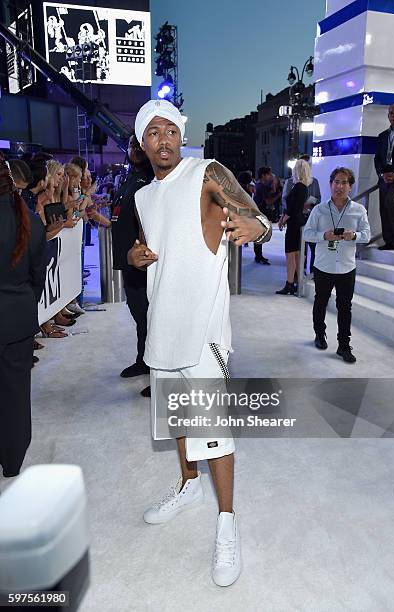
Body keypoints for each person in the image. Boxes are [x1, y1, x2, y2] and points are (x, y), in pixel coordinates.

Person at [127, 99, 272, 587]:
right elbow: (154, 243)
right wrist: (135, 253)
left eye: (170, 130)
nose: (163, 140)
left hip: (205, 331)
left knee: (216, 435)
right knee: (179, 424)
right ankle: (188, 486)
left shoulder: (205, 172)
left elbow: (256, 215)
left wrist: (256, 227)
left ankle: (226, 522)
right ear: (142, 143)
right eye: (153, 133)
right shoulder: (143, 196)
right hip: (163, 327)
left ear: (179, 134)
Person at [0, 154, 46, 477]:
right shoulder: (30, 220)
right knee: (15, 394)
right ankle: (13, 461)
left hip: (15, 317)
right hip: (17, 320)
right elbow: (37, 277)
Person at [303, 167, 370, 363]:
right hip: (323, 265)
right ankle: (319, 334)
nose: (339, 187)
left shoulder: (359, 210)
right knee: (320, 301)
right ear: (330, 184)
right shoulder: (319, 209)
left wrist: (354, 235)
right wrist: (324, 235)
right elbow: (307, 233)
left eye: (344, 183)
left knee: (345, 307)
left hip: (347, 267)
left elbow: (366, 234)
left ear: (350, 186)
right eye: (336, 182)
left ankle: (343, 345)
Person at [111, 134, 153, 379]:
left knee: (150, 319)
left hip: (143, 264)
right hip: (129, 264)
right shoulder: (130, 179)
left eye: (140, 143)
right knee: (140, 316)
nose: (135, 148)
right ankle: (144, 361)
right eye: (131, 144)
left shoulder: (150, 179)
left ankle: (158, 372)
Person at [276, 159, 312, 295]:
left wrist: (282, 220)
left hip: (294, 225)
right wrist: (283, 217)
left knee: (291, 256)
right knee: (296, 255)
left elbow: (292, 208)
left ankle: (290, 283)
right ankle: (295, 283)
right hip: (297, 223)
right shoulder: (302, 187)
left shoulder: (298, 187)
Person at [374, 103, 394, 250]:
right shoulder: (382, 136)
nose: (393, 115)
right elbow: (378, 159)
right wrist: (382, 174)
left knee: (391, 200)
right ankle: (390, 241)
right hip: (385, 175)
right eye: (391, 113)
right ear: (388, 115)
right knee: (383, 208)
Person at [282, 154, 321, 273]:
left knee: (306, 249)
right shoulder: (291, 183)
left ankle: (309, 274)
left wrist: (306, 206)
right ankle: (297, 276)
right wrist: (286, 215)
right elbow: (287, 201)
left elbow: (318, 199)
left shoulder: (311, 183)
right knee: (297, 252)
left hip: (307, 219)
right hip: (296, 221)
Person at [253, 166, 276, 264]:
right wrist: (278, 195)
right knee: (259, 235)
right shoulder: (260, 186)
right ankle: (258, 256)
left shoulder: (261, 185)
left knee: (260, 235)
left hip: (260, 213)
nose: (270, 176)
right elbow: (268, 200)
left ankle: (259, 256)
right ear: (263, 175)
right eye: (269, 174)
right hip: (259, 213)